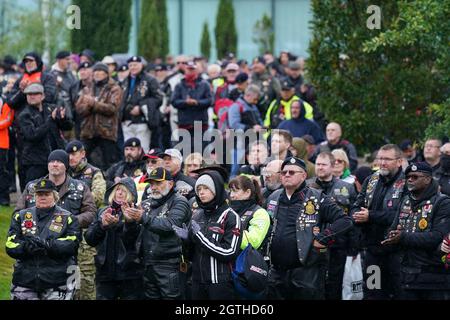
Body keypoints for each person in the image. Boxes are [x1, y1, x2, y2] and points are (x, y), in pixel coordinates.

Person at [265, 157, 353, 300]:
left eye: (292, 172)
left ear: (304, 176)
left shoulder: (316, 197)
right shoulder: (273, 197)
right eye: (284, 172)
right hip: (277, 271)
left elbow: (345, 220)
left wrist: (322, 238)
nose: (287, 175)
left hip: (306, 271)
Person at [15, 149, 97, 300]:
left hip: (70, 253)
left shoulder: (80, 187)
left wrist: (66, 223)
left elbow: (91, 213)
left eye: (59, 161)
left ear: (66, 165)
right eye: (51, 161)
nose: (54, 164)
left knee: (75, 293)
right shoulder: (33, 186)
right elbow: (18, 213)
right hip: (34, 255)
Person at [382, 162, 450, 300]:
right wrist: (391, 236)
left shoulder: (443, 202)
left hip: (432, 276)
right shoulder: (406, 200)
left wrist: (403, 237)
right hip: (406, 274)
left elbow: (438, 237)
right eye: (408, 177)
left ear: (427, 179)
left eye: (415, 177)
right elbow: (393, 228)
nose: (410, 180)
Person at [6, 178, 80, 300]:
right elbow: (10, 244)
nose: (43, 197)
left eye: (47, 194)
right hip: (25, 280)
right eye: (39, 194)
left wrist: (48, 245)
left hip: (57, 281)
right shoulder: (21, 216)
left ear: (55, 196)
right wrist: (26, 247)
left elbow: (72, 244)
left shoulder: (68, 218)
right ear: (35, 196)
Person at [172, 170, 242, 300]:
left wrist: (200, 237)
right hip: (197, 281)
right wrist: (186, 241)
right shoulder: (197, 214)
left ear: (216, 189)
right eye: (198, 189)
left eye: (206, 188)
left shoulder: (230, 216)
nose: (201, 192)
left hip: (219, 283)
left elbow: (229, 252)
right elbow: (192, 254)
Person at [123, 168, 191, 299]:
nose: (153, 187)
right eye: (152, 183)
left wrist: (142, 218)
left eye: (158, 183)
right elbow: (130, 238)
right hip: (147, 265)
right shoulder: (146, 204)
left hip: (170, 265)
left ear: (170, 184)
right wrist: (129, 222)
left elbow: (169, 226)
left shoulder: (179, 201)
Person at [351, 144, 406, 300]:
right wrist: (357, 215)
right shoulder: (371, 180)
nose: (382, 163)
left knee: (397, 294)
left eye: (387, 159)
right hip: (372, 252)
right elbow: (356, 206)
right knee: (372, 293)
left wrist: (371, 216)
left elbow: (403, 215)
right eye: (380, 158)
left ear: (399, 161)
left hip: (397, 253)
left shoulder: (407, 183)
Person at [307, 151, 357, 300]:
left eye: (323, 164)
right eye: (318, 164)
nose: (320, 167)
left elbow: (352, 218)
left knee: (335, 286)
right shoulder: (308, 187)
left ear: (333, 165)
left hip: (338, 246)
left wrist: (353, 247)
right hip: (313, 245)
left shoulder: (346, 187)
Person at [84, 177, 143, 300]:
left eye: (124, 191)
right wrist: (102, 226)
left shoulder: (137, 213)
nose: (120, 193)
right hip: (105, 273)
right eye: (117, 190)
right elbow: (90, 239)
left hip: (129, 274)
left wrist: (129, 222)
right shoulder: (102, 211)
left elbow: (133, 240)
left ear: (132, 194)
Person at [6, 52, 57, 190]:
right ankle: (25, 196)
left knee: (49, 162)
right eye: (26, 61)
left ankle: (51, 196)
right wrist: (22, 91)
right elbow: (10, 102)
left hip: (46, 125)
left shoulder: (47, 77)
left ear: (38, 62)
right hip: (24, 127)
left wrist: (34, 88)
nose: (28, 64)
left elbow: (51, 96)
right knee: (24, 164)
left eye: (31, 61)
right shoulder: (20, 79)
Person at [18, 83, 72, 186]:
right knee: (34, 190)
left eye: (35, 93)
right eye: (29, 94)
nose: (32, 96)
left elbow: (68, 127)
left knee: (59, 189)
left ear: (42, 96)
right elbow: (32, 135)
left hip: (55, 158)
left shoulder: (51, 108)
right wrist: (50, 120)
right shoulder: (24, 115)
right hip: (35, 160)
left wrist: (63, 119)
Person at [75, 62, 123, 170]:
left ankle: (110, 183)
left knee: (109, 163)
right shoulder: (87, 88)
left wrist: (94, 104)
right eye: (95, 71)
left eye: (100, 71)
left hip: (106, 131)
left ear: (106, 74)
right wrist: (88, 106)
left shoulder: (114, 88)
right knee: (81, 159)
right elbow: (78, 109)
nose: (97, 73)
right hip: (88, 131)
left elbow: (113, 109)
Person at [120, 56, 162, 153]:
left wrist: (141, 107)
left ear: (141, 65)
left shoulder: (150, 80)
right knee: (128, 151)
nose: (133, 67)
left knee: (142, 151)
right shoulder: (125, 81)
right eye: (130, 65)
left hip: (143, 121)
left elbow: (159, 98)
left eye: (135, 65)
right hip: (126, 121)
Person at [171, 61, 212, 152]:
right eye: (189, 69)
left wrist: (197, 102)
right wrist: (185, 102)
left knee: (201, 151)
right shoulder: (179, 85)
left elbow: (209, 100)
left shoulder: (204, 84)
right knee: (185, 152)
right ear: (185, 70)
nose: (191, 71)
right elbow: (174, 101)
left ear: (197, 70)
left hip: (200, 124)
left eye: (193, 69)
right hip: (184, 123)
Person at [229, 175, 271, 253]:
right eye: (230, 191)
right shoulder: (228, 211)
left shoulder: (260, 213)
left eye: (235, 191)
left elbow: (253, 242)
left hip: (246, 262)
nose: (231, 195)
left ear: (247, 192)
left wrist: (228, 232)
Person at [66, 140, 106, 208]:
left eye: (73, 154)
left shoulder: (94, 172)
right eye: (68, 154)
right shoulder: (64, 171)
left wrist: (76, 203)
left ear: (83, 154)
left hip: (86, 211)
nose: (70, 158)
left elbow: (98, 197)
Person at [69, 61, 93, 139]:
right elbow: (71, 103)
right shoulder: (74, 86)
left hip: (92, 122)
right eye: (81, 70)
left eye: (85, 69)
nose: (83, 72)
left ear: (92, 71)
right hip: (78, 121)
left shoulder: (97, 86)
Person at [0, 100, 13, 205]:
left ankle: (4, 197)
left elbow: (7, 120)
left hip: (2, 144)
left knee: (2, 171)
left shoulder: (6, 104)